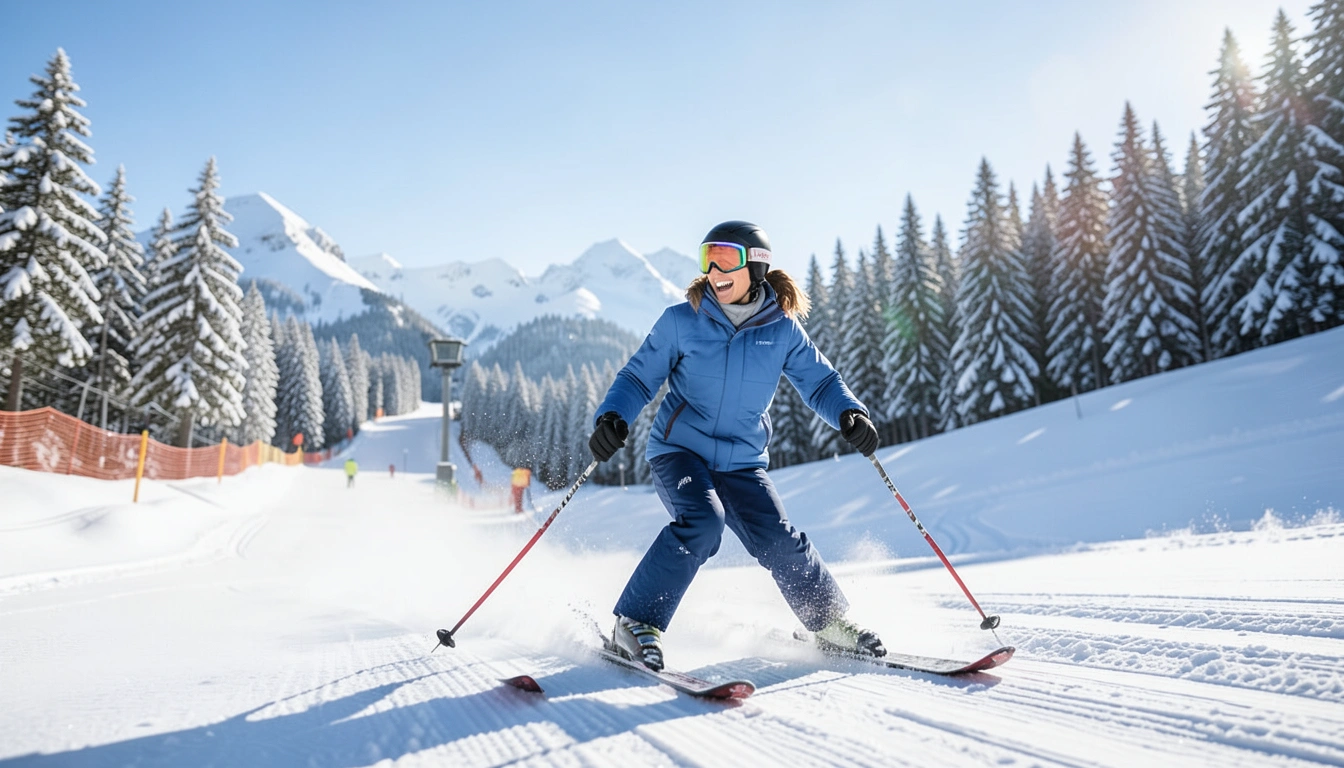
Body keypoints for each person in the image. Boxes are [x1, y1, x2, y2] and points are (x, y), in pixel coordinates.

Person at [588, 221, 885, 672]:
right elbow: (637, 377)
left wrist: (849, 412)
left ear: (757, 267)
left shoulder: (781, 329)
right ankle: (635, 623)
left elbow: (820, 381)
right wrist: (613, 416)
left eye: (725, 257)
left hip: (742, 461)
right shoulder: (680, 320)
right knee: (703, 522)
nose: (713, 269)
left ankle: (828, 624)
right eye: (708, 257)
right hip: (679, 450)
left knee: (778, 539)